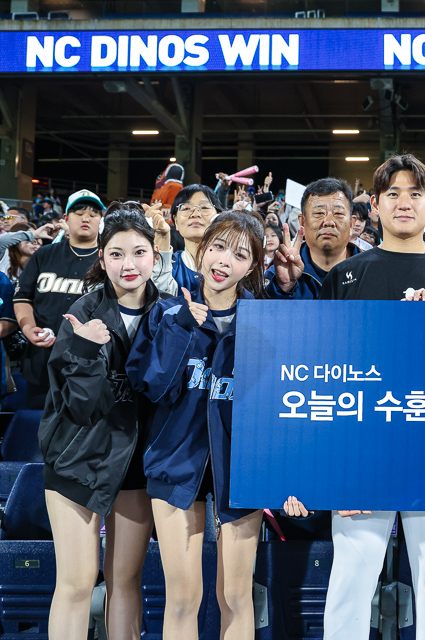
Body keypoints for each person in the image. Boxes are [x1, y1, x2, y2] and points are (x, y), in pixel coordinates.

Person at [281, 154, 425, 640]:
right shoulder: (347, 276)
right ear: (373, 206)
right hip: (362, 454)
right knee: (351, 581)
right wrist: (331, 466)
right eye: (392, 194)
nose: (404, 203)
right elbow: (322, 373)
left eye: (415, 193)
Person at [127, 212, 265, 640]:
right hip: (175, 465)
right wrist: (181, 327)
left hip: (242, 472)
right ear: (202, 250)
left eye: (239, 254)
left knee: (236, 596)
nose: (224, 261)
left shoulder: (264, 321)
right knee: (184, 598)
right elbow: (151, 387)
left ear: (252, 267)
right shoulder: (167, 312)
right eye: (218, 247)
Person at [41, 205, 163, 640]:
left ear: (155, 256)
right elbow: (77, 408)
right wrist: (87, 350)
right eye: (116, 254)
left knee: (125, 580)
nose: (129, 264)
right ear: (102, 258)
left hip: (135, 465)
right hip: (77, 459)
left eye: (139, 252)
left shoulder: (168, 314)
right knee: (76, 583)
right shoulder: (83, 313)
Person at [14, 189, 105, 409]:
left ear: (101, 220)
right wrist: (28, 328)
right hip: (42, 358)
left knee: (84, 424)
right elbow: (23, 297)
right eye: (79, 213)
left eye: (93, 214)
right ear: (66, 218)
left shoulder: (108, 259)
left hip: (90, 362)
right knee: (37, 419)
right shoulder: (44, 254)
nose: (86, 218)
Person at [266, 178, 361, 299]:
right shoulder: (279, 273)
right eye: (319, 213)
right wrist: (283, 288)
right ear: (302, 222)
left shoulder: (368, 271)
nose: (329, 222)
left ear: (351, 224)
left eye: (338, 214)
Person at [166, 185, 223, 296]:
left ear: (218, 217)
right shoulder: (167, 267)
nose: (195, 214)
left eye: (204, 207)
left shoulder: (230, 265)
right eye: (186, 208)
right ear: (175, 221)